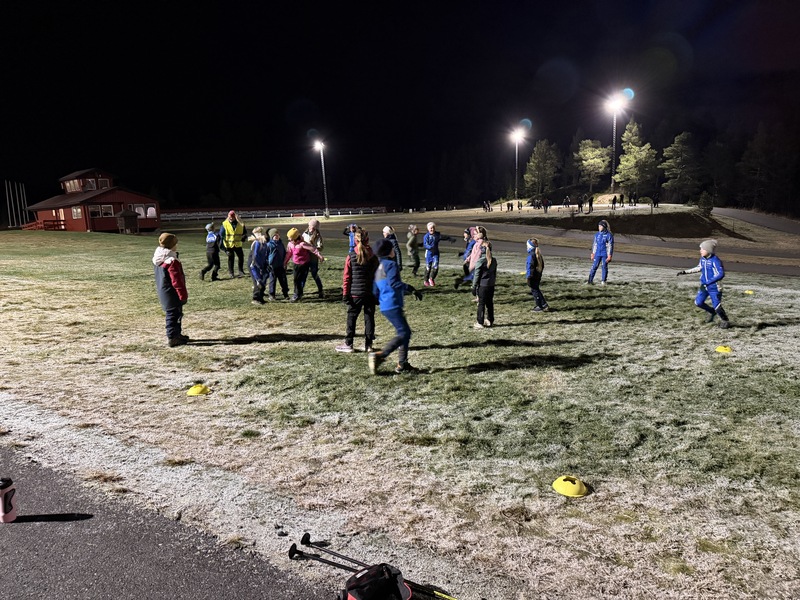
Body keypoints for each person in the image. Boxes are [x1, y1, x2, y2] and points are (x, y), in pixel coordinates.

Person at [369, 239, 423, 374]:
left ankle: (402, 364)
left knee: (403, 332)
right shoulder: (391, 265)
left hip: (385, 305)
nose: (394, 250)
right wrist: (411, 288)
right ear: (388, 251)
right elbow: (394, 283)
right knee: (405, 333)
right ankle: (381, 355)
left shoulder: (379, 267)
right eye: (392, 248)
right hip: (392, 303)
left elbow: (375, 290)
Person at [336, 228, 379, 353]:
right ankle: (369, 345)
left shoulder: (351, 256)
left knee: (352, 317)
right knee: (369, 318)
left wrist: (345, 294)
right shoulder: (373, 256)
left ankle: (348, 343)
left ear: (355, 240)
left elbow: (347, 277)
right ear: (368, 240)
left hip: (355, 293)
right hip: (370, 292)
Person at [677, 239, 731, 329]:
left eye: (702, 249)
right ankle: (711, 312)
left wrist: (709, 282)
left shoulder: (715, 260)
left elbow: (721, 274)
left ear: (708, 250)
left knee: (717, 306)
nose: (700, 251)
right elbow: (699, 268)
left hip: (715, 287)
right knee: (698, 302)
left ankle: (725, 320)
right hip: (704, 286)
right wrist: (685, 272)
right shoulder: (702, 259)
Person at [152, 233, 189, 347]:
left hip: (164, 290)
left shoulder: (159, 258)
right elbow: (176, 280)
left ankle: (177, 334)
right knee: (173, 315)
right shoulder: (171, 261)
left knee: (175, 314)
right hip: (172, 293)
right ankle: (172, 337)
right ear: (172, 245)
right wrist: (182, 294)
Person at [284, 227, 324, 302]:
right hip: (296, 264)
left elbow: (313, 249)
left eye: (290, 237)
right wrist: (285, 263)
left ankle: (297, 295)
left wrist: (319, 256)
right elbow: (288, 254)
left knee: (301, 280)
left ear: (295, 237)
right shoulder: (290, 244)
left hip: (304, 264)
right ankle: (298, 294)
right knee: (296, 280)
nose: (288, 239)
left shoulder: (302, 244)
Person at [471, 230, 496, 328]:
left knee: (481, 304)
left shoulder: (480, 262)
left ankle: (480, 322)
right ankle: (490, 320)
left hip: (483, 285)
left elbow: (477, 275)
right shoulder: (494, 260)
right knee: (490, 303)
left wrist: (474, 286)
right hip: (491, 285)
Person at [422, 221, 453, 287]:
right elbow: (425, 244)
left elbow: (442, 237)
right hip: (429, 254)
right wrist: (430, 247)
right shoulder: (426, 236)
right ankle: (425, 280)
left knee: (436, 266)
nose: (432, 229)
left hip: (436, 253)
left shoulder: (437, 235)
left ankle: (431, 278)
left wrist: (449, 238)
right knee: (428, 267)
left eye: (433, 228)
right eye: (431, 228)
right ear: (428, 229)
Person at [221, 210, 248, 278]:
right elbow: (221, 234)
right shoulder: (224, 224)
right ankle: (231, 273)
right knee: (231, 258)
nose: (230, 219)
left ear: (235, 217)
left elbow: (245, 233)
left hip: (238, 244)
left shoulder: (240, 223)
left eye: (232, 217)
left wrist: (244, 237)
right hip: (229, 245)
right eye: (229, 217)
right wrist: (224, 247)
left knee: (241, 257)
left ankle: (241, 271)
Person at [303, 218, 325, 298]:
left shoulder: (318, 236)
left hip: (313, 258)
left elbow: (321, 247)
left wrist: (314, 248)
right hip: (305, 257)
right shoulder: (304, 233)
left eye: (313, 227)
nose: (311, 228)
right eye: (310, 226)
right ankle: (300, 291)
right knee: (304, 275)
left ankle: (320, 290)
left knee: (314, 274)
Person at [526, 238, 550, 312]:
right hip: (537, 275)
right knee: (536, 289)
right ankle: (543, 304)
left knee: (534, 290)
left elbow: (530, 267)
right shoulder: (538, 254)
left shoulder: (531, 255)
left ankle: (540, 306)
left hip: (532, 276)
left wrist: (528, 277)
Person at [588, 219, 614, 285]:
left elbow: (610, 246)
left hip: (604, 254)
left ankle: (603, 281)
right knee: (594, 266)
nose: (599, 227)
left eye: (600, 226)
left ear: (604, 226)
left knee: (604, 267)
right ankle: (590, 281)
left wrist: (609, 255)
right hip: (597, 253)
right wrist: (593, 253)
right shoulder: (597, 235)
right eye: (598, 226)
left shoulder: (609, 235)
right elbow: (595, 245)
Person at [248, 227, 269, 305]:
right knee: (257, 281)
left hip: (261, 264)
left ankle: (261, 297)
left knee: (262, 281)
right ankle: (255, 298)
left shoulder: (263, 243)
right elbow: (255, 255)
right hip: (254, 264)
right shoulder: (257, 243)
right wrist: (257, 265)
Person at [266, 228, 289, 300]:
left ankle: (285, 294)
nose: (276, 236)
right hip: (272, 266)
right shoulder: (268, 245)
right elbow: (265, 255)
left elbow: (284, 254)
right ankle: (272, 294)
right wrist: (267, 264)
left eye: (277, 235)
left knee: (283, 280)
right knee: (272, 281)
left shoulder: (281, 244)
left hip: (281, 265)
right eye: (275, 235)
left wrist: (285, 263)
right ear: (271, 236)